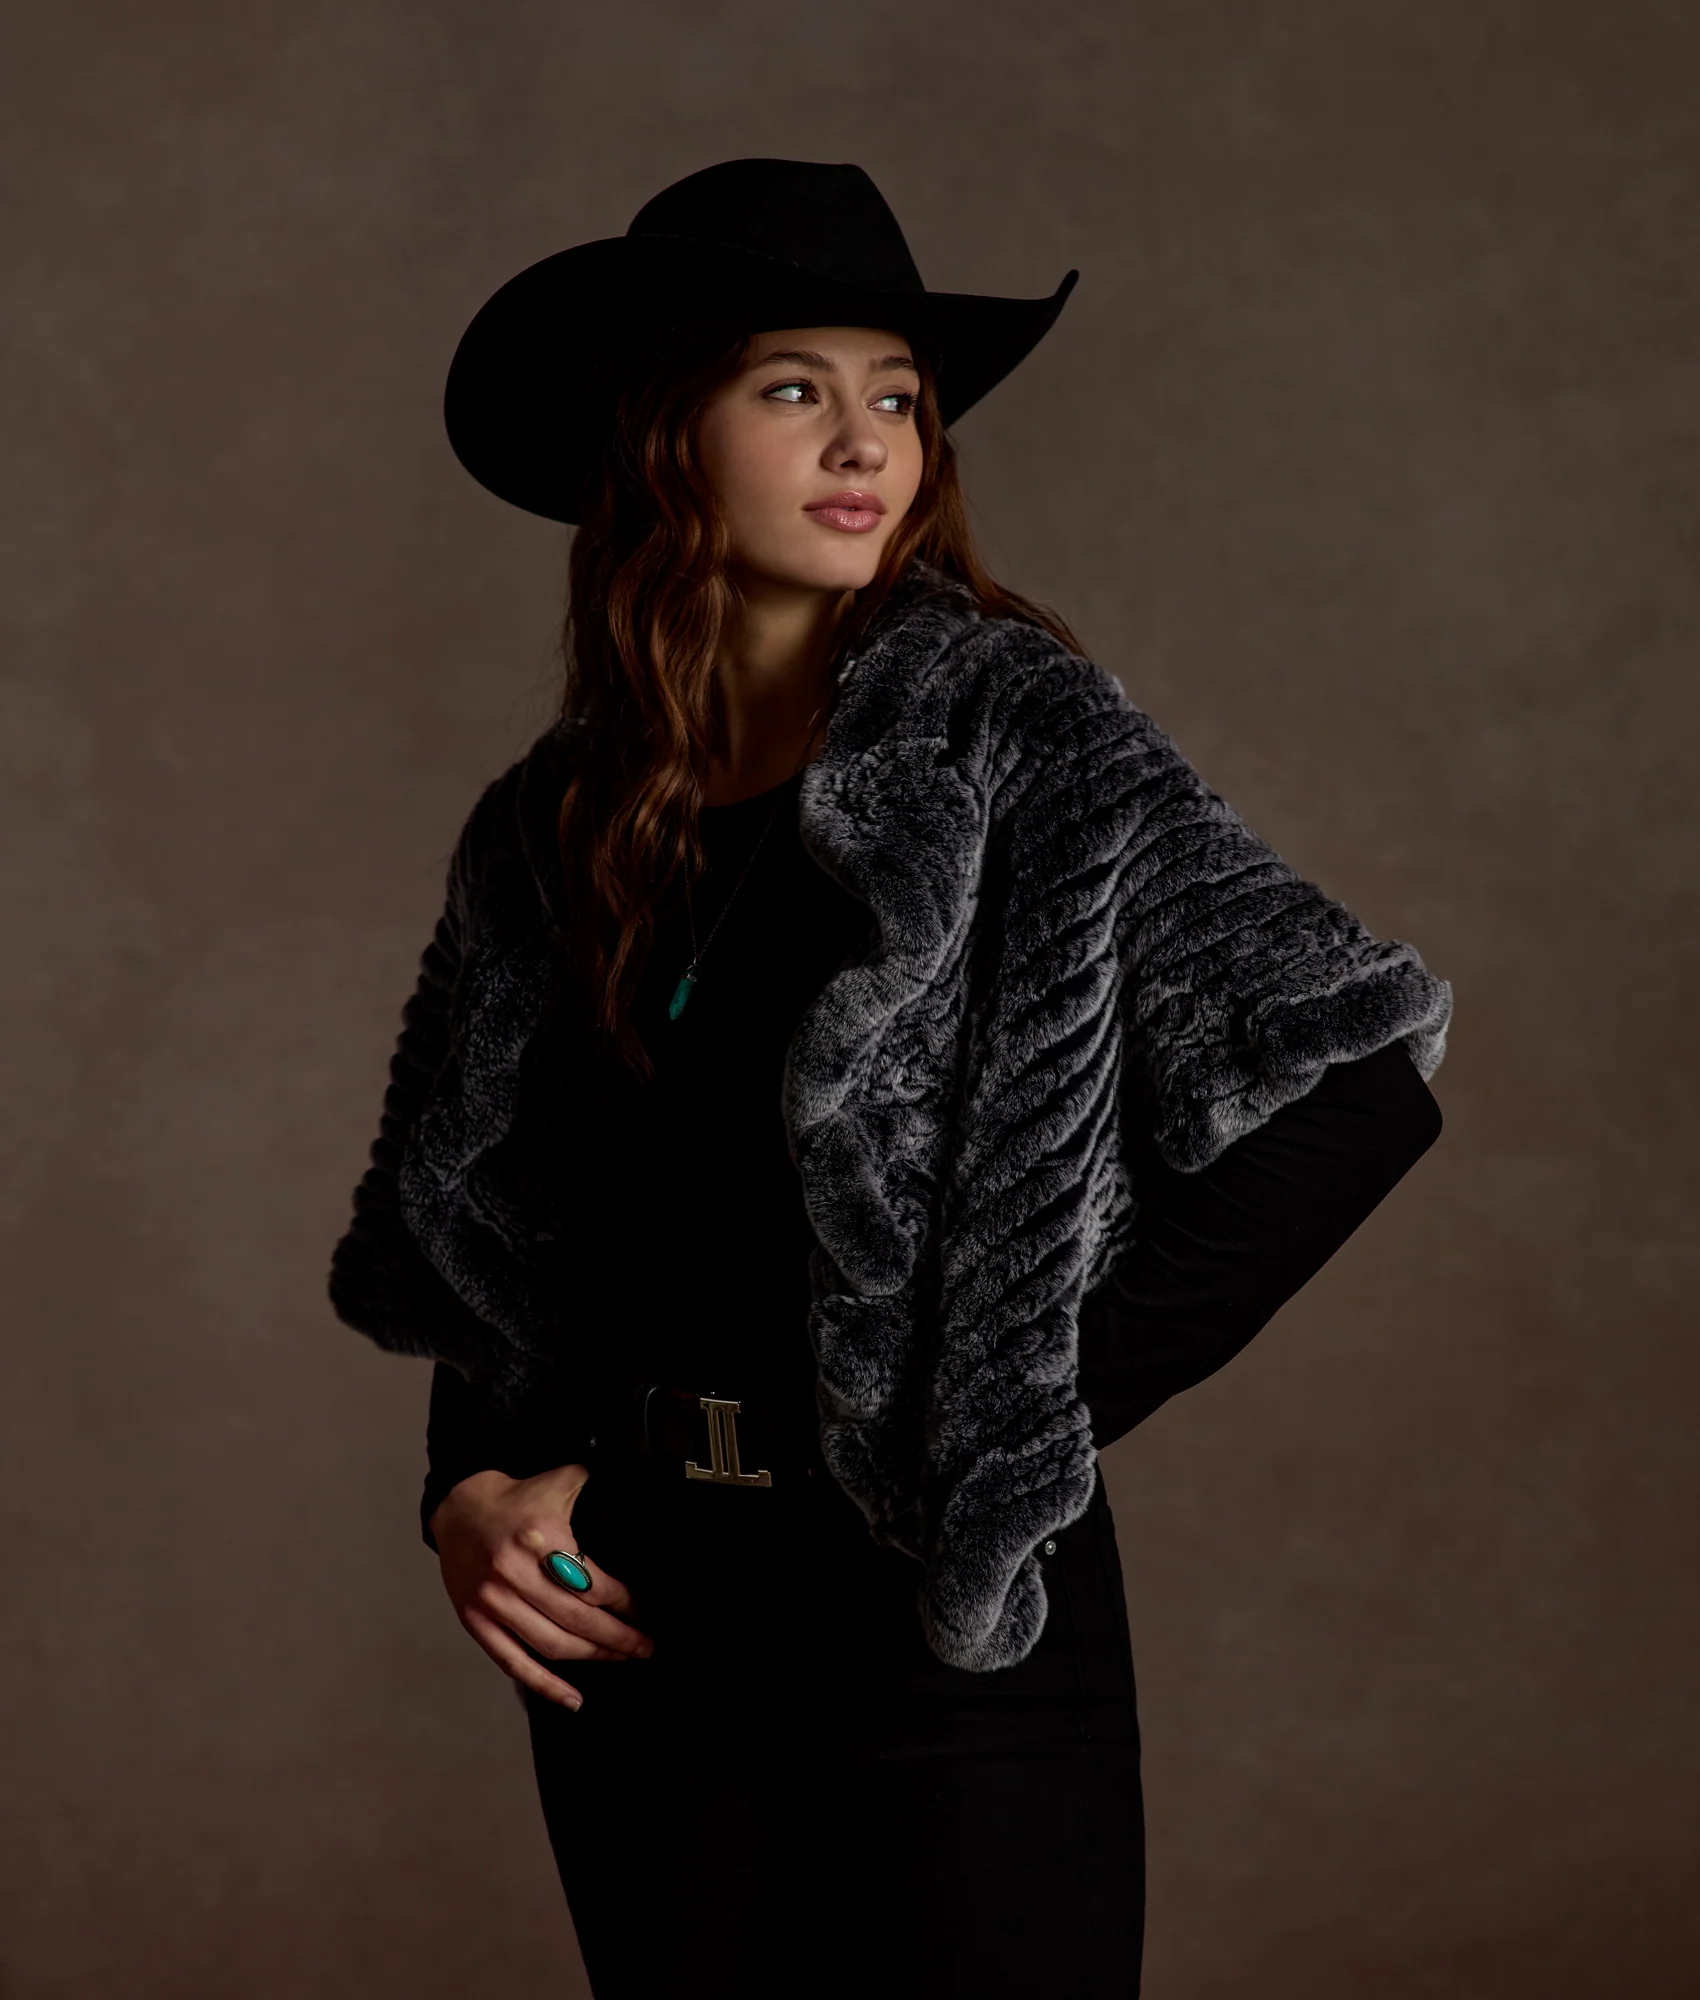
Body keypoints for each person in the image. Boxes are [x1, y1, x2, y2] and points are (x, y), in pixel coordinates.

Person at [328, 158, 1453, 1999]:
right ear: (658, 434)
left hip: (938, 1627)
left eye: (901, 399)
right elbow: (489, 1226)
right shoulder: (550, 822)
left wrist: (1009, 1412)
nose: (867, 444)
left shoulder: (1016, 734)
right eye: (795, 389)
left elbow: (1361, 1081)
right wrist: (470, 1491)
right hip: (642, 1632)